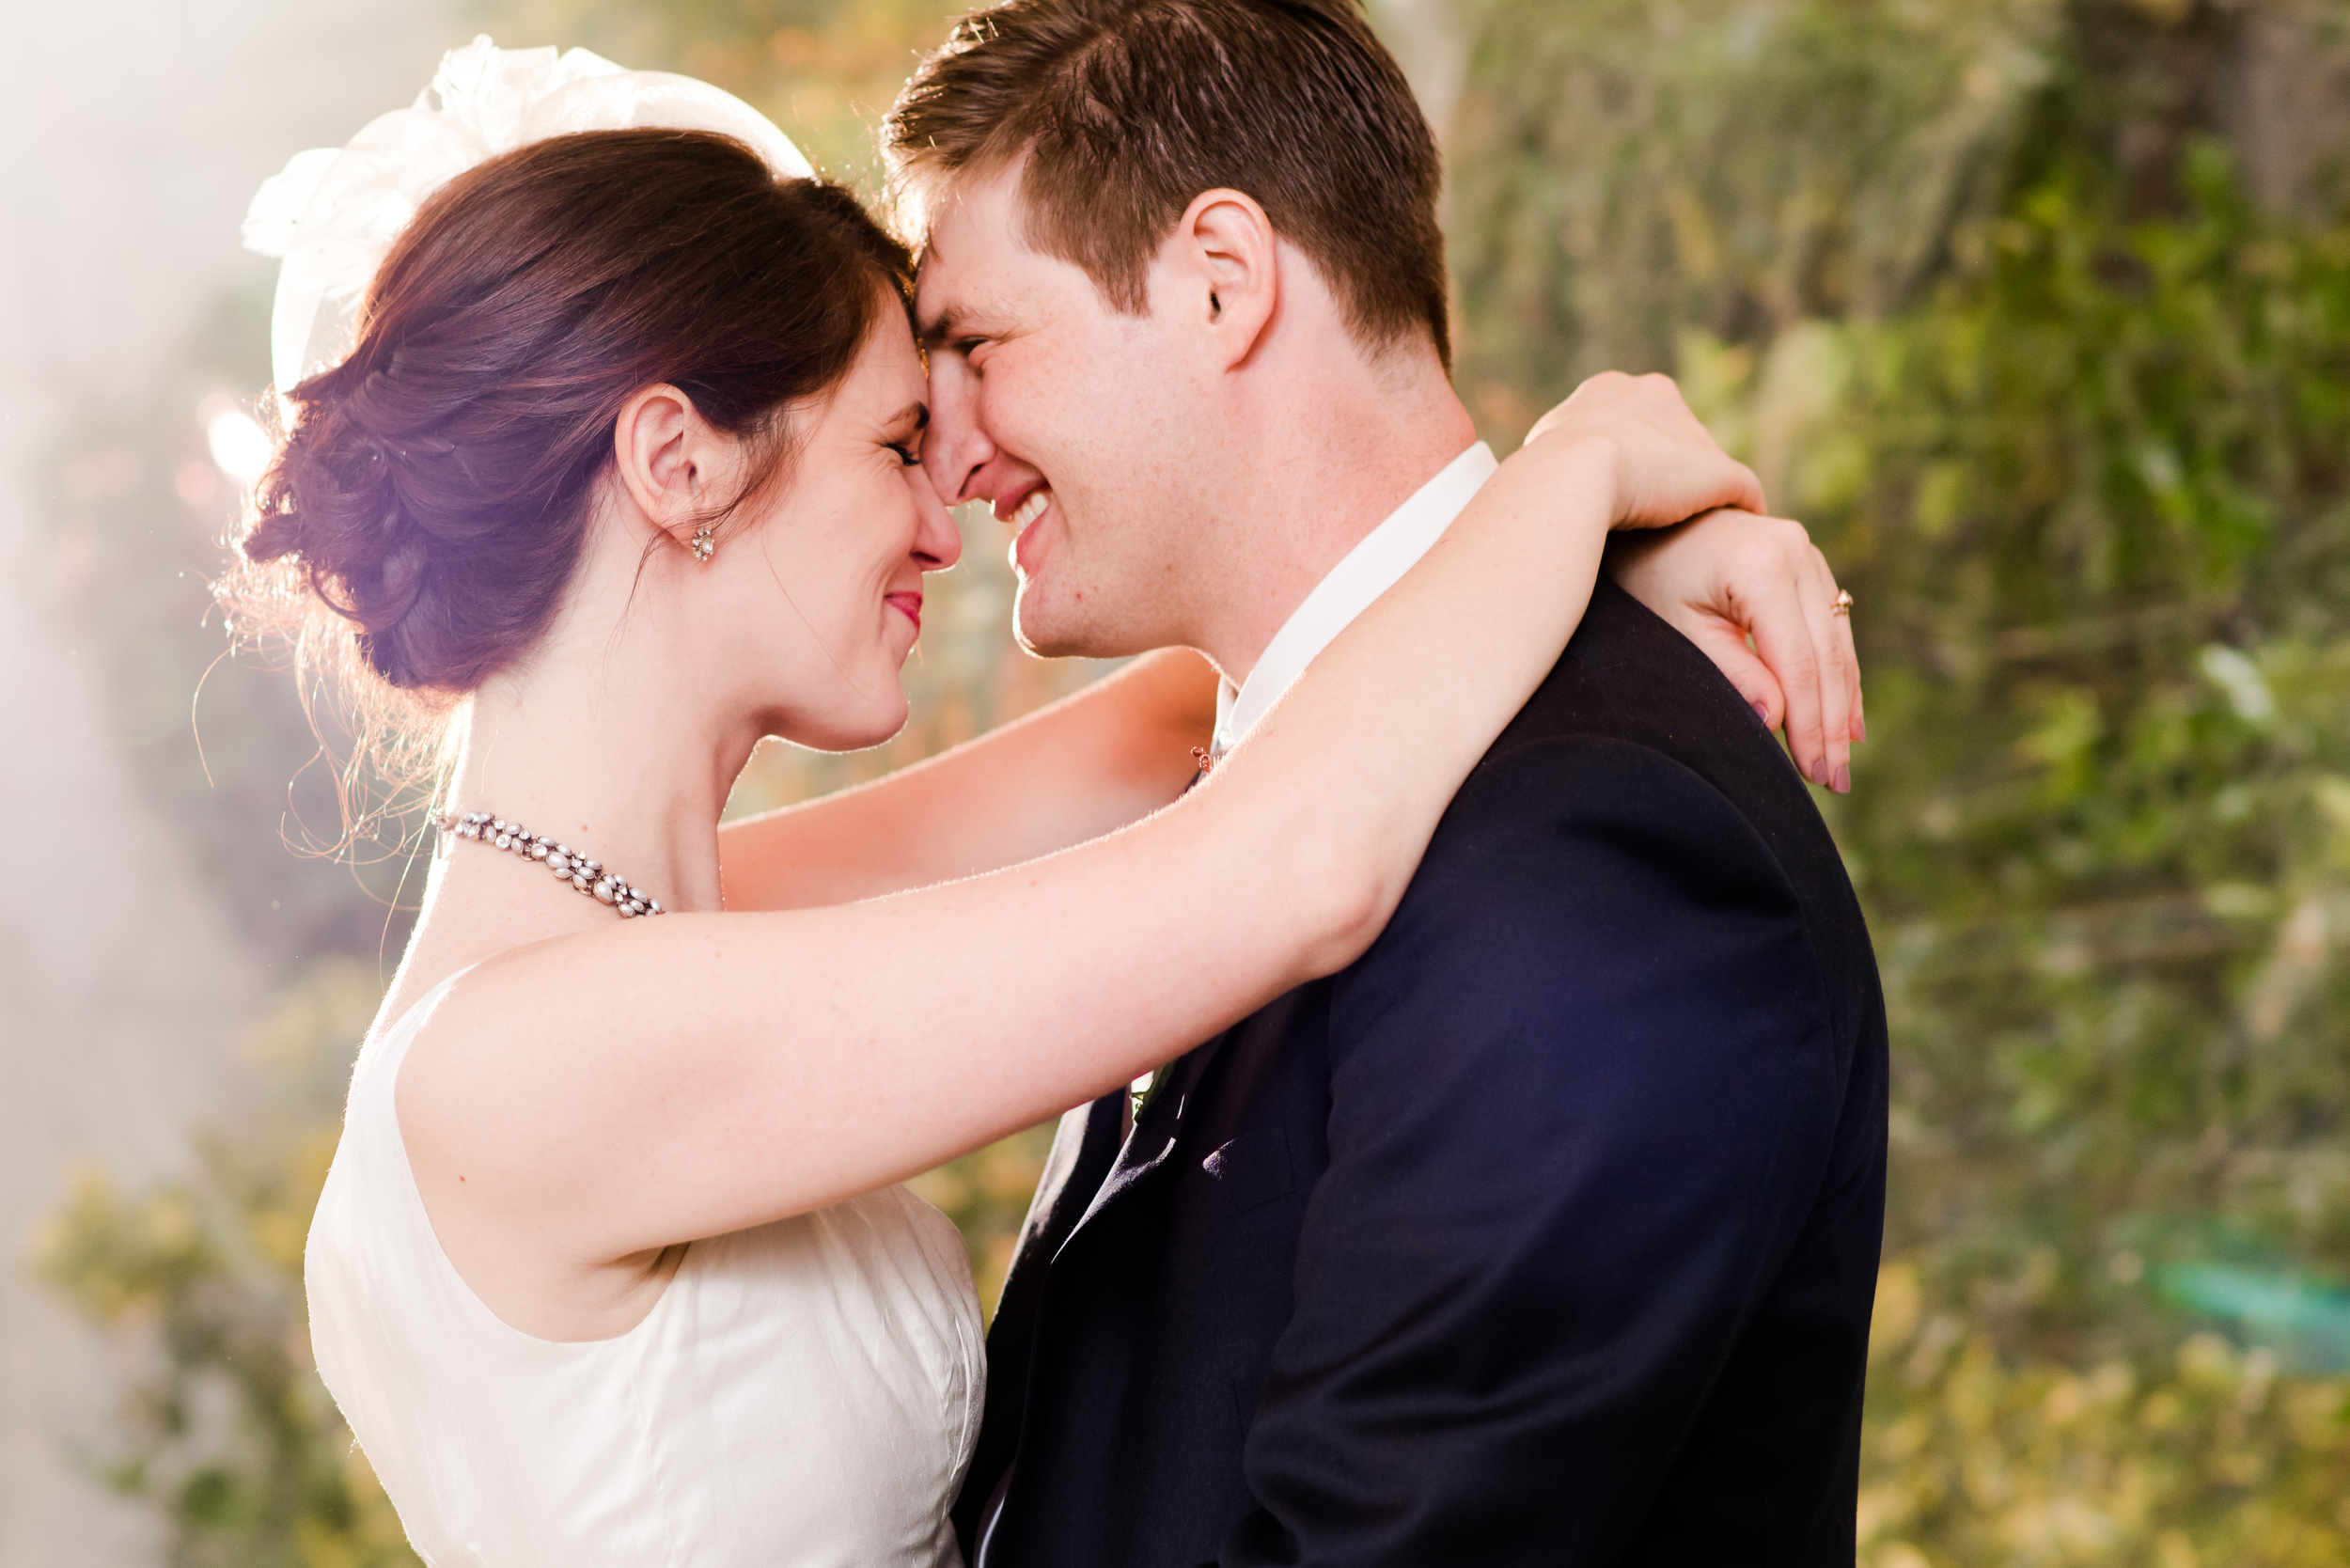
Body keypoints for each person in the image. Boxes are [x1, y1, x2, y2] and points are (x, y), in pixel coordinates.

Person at [238, 39, 1853, 1568]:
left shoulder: (660, 926)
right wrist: (1585, 465)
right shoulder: (536, 1059)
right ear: (678, 463)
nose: (948, 511)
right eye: (895, 437)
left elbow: (1220, 707)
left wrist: (1612, 567)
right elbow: (1288, 856)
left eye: (974, 373)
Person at [734, 1, 1884, 1563]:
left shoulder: (1590, 846)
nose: (947, 458)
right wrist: (1572, 490)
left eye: (979, 347)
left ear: (1223, 281)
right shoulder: (1258, 768)